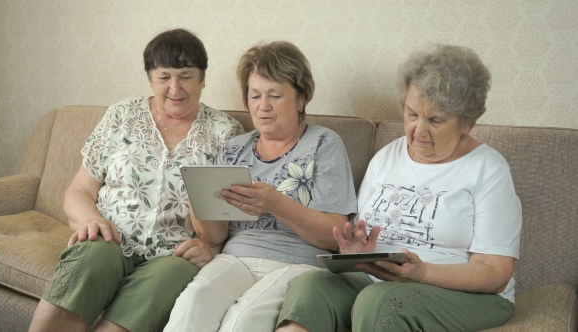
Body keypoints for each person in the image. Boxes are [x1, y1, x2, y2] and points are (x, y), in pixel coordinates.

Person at [276, 44, 523, 332]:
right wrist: (355, 250)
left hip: (470, 297)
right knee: (312, 285)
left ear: (467, 122)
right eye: (412, 114)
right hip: (382, 283)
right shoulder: (387, 157)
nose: (418, 130)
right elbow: (361, 231)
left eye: (435, 120)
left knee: (380, 301)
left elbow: (495, 273)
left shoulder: (488, 168)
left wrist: (422, 273)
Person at [28, 28, 244, 332]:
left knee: (166, 279)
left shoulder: (225, 133)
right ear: (150, 78)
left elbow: (227, 224)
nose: (175, 87)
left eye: (186, 76)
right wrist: (91, 220)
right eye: (164, 76)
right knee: (90, 260)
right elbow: (78, 192)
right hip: (111, 239)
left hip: (174, 253)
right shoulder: (122, 115)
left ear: (203, 78)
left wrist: (212, 249)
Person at [164, 41, 358, 332]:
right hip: (236, 258)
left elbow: (335, 236)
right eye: (255, 96)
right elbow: (214, 235)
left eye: (275, 95)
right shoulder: (232, 150)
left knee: (242, 321)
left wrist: (276, 204)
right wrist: (199, 199)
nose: (263, 106)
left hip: (298, 264)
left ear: (301, 98)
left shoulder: (323, 143)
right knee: (192, 304)